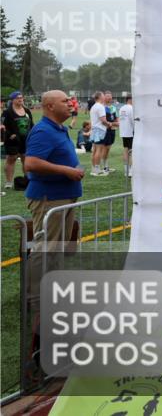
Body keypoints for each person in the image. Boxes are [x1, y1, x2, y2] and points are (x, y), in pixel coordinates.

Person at [23, 90, 85, 307]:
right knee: (46, 249)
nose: (70, 104)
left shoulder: (58, 128)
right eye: (65, 101)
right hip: (49, 198)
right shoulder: (43, 130)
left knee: (57, 248)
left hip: (63, 197)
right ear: (50, 106)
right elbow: (31, 163)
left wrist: (72, 169)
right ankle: (35, 300)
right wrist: (67, 171)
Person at [2, 91, 34, 190]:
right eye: (18, 98)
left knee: (26, 159)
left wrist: (33, 134)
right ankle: (9, 182)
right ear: (12, 100)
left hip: (26, 139)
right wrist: (10, 135)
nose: (20, 99)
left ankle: (27, 180)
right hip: (12, 140)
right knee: (11, 159)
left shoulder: (27, 111)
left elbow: (31, 124)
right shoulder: (7, 112)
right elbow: (2, 126)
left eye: (21, 97)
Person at [88, 92, 109, 177]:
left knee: (95, 150)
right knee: (99, 150)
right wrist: (109, 124)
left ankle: (94, 169)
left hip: (94, 129)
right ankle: (97, 170)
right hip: (99, 129)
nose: (104, 97)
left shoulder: (94, 106)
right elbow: (103, 120)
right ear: (100, 97)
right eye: (103, 96)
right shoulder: (100, 106)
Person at [100, 91, 119, 174]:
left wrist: (113, 124)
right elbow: (102, 121)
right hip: (105, 130)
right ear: (104, 97)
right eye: (107, 96)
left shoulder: (113, 108)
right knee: (105, 149)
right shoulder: (102, 107)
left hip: (112, 130)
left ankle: (106, 166)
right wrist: (112, 123)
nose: (109, 98)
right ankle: (104, 167)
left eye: (110, 96)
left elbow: (117, 121)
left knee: (108, 149)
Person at [118, 95, 134, 177]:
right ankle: (130, 171)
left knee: (125, 149)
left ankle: (126, 170)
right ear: (130, 100)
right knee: (131, 152)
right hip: (130, 132)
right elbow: (133, 120)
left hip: (123, 132)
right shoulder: (131, 108)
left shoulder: (121, 108)